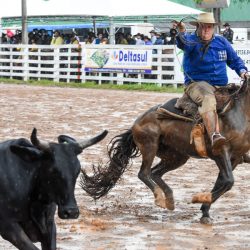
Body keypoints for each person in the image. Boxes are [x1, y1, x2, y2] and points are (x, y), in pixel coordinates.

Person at [176, 12, 249, 154]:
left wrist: (242, 71)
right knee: (209, 100)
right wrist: (181, 32)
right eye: (203, 27)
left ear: (213, 28)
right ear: (198, 27)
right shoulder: (190, 41)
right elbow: (181, 43)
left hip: (221, 86)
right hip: (197, 84)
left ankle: (240, 140)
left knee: (241, 100)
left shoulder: (222, 42)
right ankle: (214, 135)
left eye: (208, 27)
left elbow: (234, 60)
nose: (205, 30)